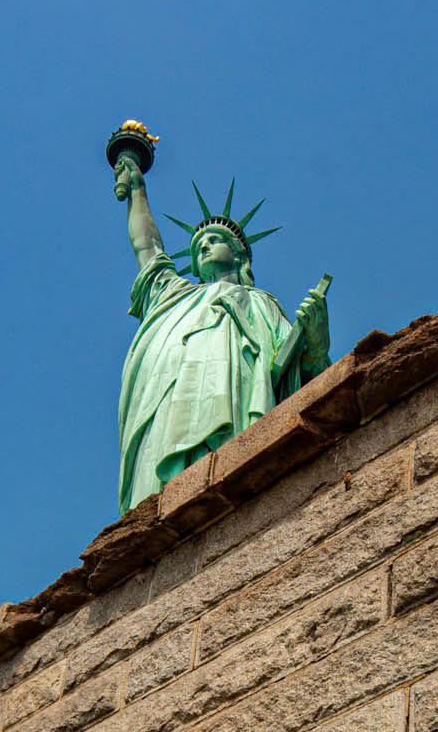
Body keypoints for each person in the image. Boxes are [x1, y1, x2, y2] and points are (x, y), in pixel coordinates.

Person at [112, 151, 330, 513]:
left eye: (213, 240)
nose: (205, 247)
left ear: (240, 254)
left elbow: (297, 378)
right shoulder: (174, 296)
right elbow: (147, 249)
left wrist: (318, 344)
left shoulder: (262, 305)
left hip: (236, 408)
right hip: (170, 411)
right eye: (198, 248)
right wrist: (138, 191)